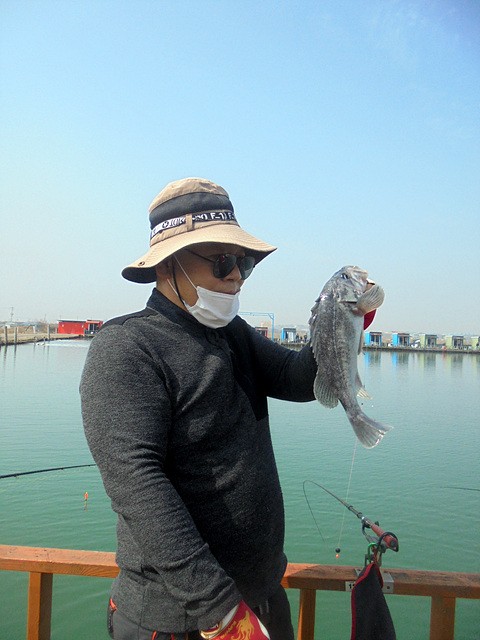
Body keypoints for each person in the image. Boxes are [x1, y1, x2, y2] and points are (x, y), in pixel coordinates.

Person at [80, 177, 375, 640]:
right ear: (170, 263)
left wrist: (343, 320)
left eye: (244, 263)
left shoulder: (232, 334)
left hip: (262, 598)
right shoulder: (127, 348)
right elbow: (139, 486)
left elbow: (298, 379)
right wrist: (221, 612)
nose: (237, 275)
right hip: (186, 621)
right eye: (223, 262)